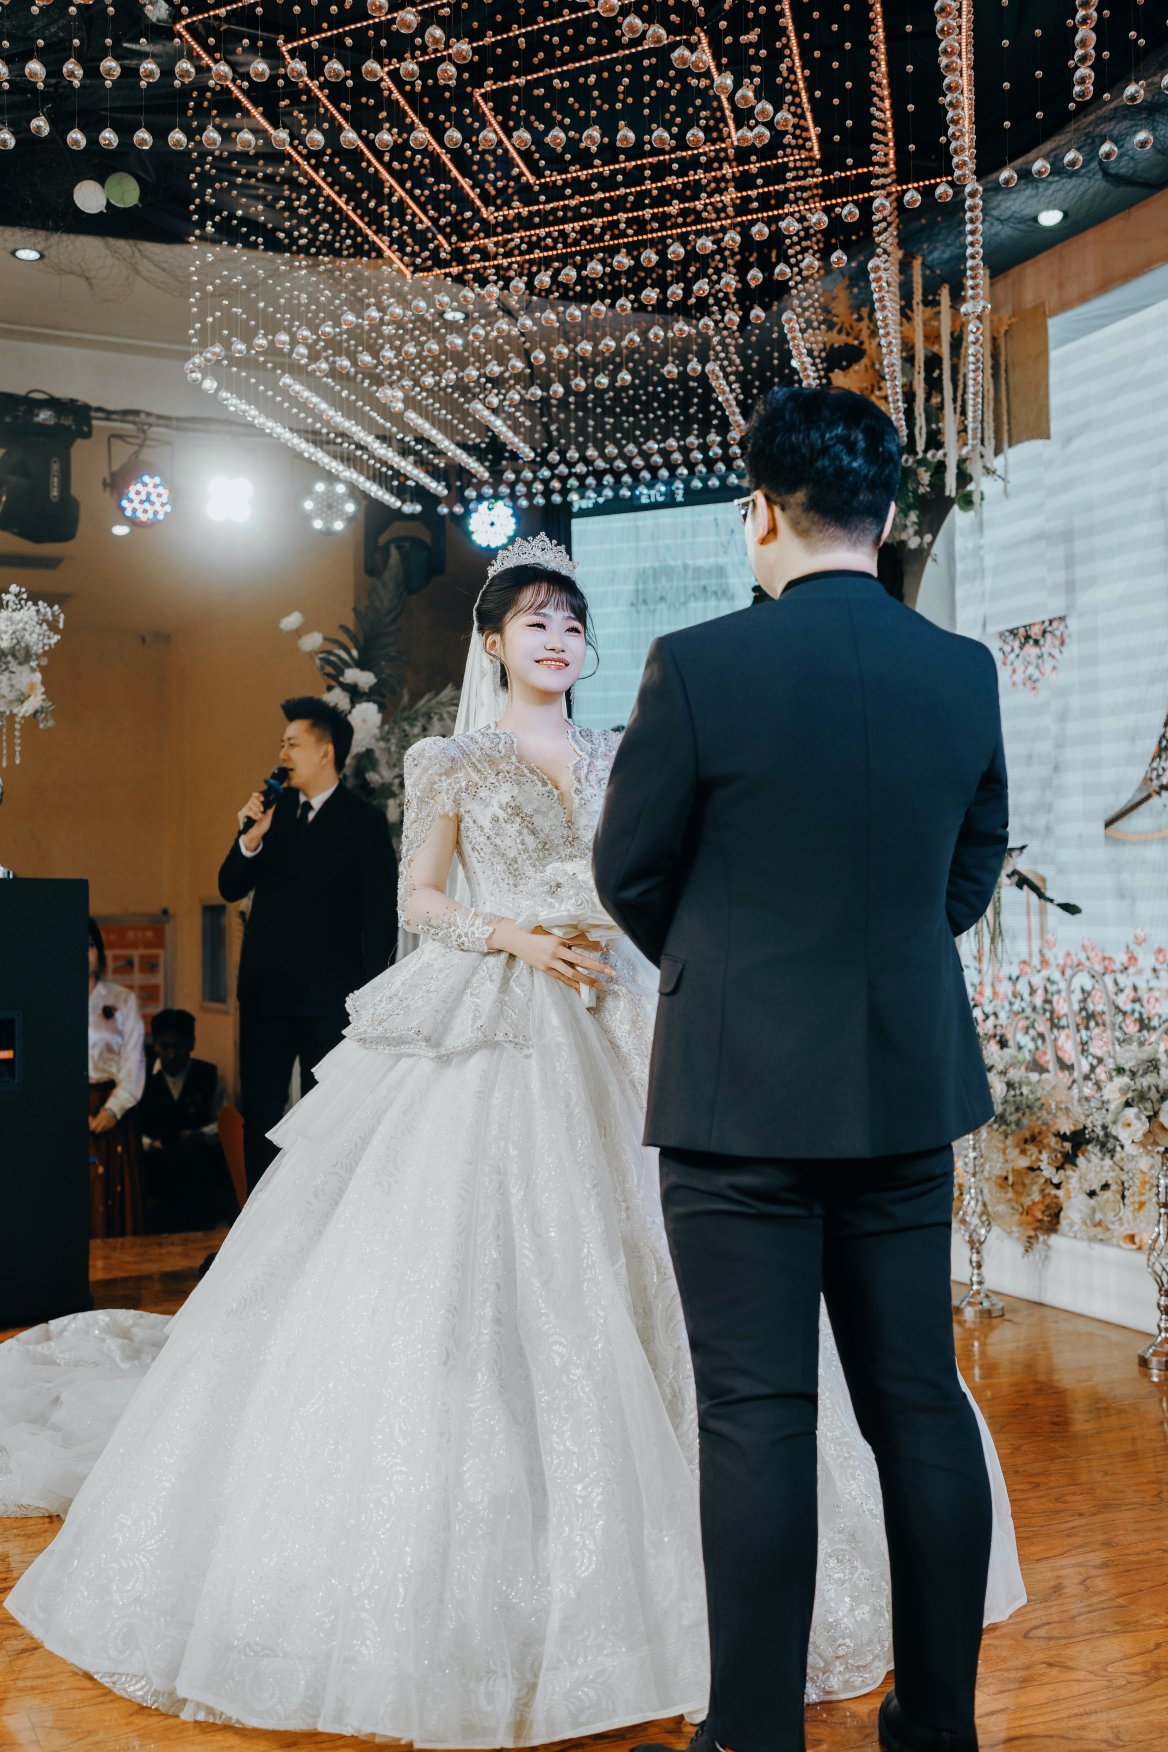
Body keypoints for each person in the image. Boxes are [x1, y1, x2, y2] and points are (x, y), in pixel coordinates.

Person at [0, 534, 1022, 1745]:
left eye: (572, 622)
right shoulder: (450, 758)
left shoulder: (625, 745)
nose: (557, 637)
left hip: (628, 1008)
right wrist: (515, 937)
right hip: (499, 1017)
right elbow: (418, 899)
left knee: (668, 1289)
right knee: (485, 1278)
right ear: (491, 641)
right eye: (534, 620)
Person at [594, 386, 1012, 1752]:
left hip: (737, 1100)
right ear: (883, 518)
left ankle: (753, 1733)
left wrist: (729, 969)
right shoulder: (961, 671)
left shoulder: (698, 664)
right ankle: (937, 1726)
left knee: (756, 1416)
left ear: (760, 511)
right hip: (901, 1092)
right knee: (919, 1402)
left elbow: (629, 870)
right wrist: (876, 959)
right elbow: (968, 869)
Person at [218, 695, 398, 1191]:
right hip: (265, 996)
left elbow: (379, 920)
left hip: (330, 1000)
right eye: (282, 744)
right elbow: (229, 886)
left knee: (331, 1115)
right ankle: (255, 1227)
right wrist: (249, 839)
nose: (282, 754)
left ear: (325, 752)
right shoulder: (271, 814)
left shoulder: (364, 822)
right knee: (261, 1116)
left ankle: (321, 1221)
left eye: (292, 744)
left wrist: (371, 1002)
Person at [139, 1009, 235, 1233]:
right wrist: (150, 1144)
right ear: (155, 1046)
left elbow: (221, 1122)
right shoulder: (140, 1077)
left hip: (196, 1160)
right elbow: (132, 1128)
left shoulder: (210, 1074)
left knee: (201, 1167)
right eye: (165, 1047)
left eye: (179, 1047)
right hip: (154, 1160)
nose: (172, 1054)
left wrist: (200, 1135)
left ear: (191, 1044)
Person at [86, 916, 146, 1237]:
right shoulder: (51, 999)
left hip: (112, 1108)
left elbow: (133, 1062)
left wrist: (113, 1109)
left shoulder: (122, 999)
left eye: (89, 946)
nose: (83, 954)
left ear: (99, 951)